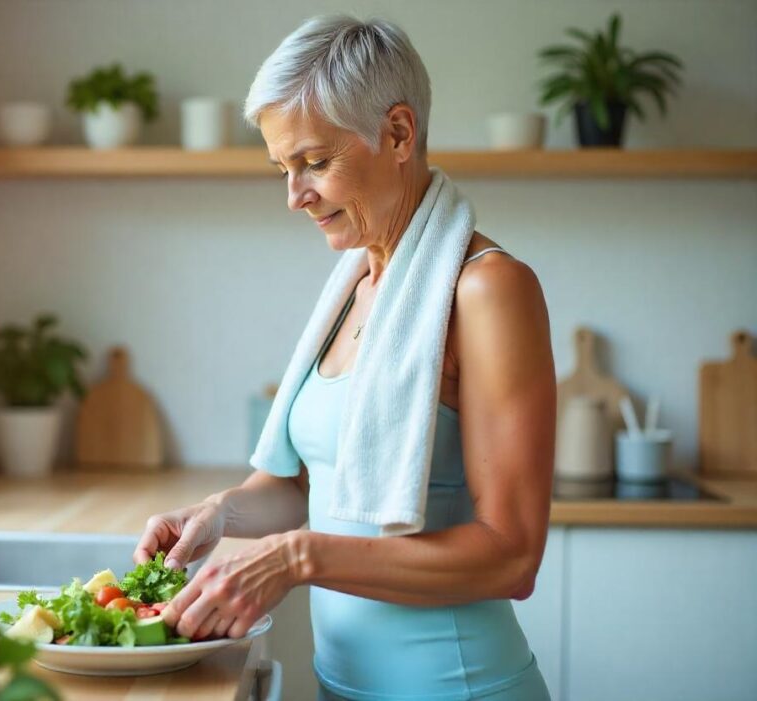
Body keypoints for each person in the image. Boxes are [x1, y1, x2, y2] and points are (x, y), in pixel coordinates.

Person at [134, 15, 555, 701]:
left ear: (397, 133)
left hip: (460, 687)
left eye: (315, 163)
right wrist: (219, 513)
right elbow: (310, 489)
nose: (294, 196)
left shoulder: (487, 289)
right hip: (343, 686)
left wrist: (298, 556)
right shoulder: (359, 286)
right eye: (283, 168)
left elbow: (512, 555)